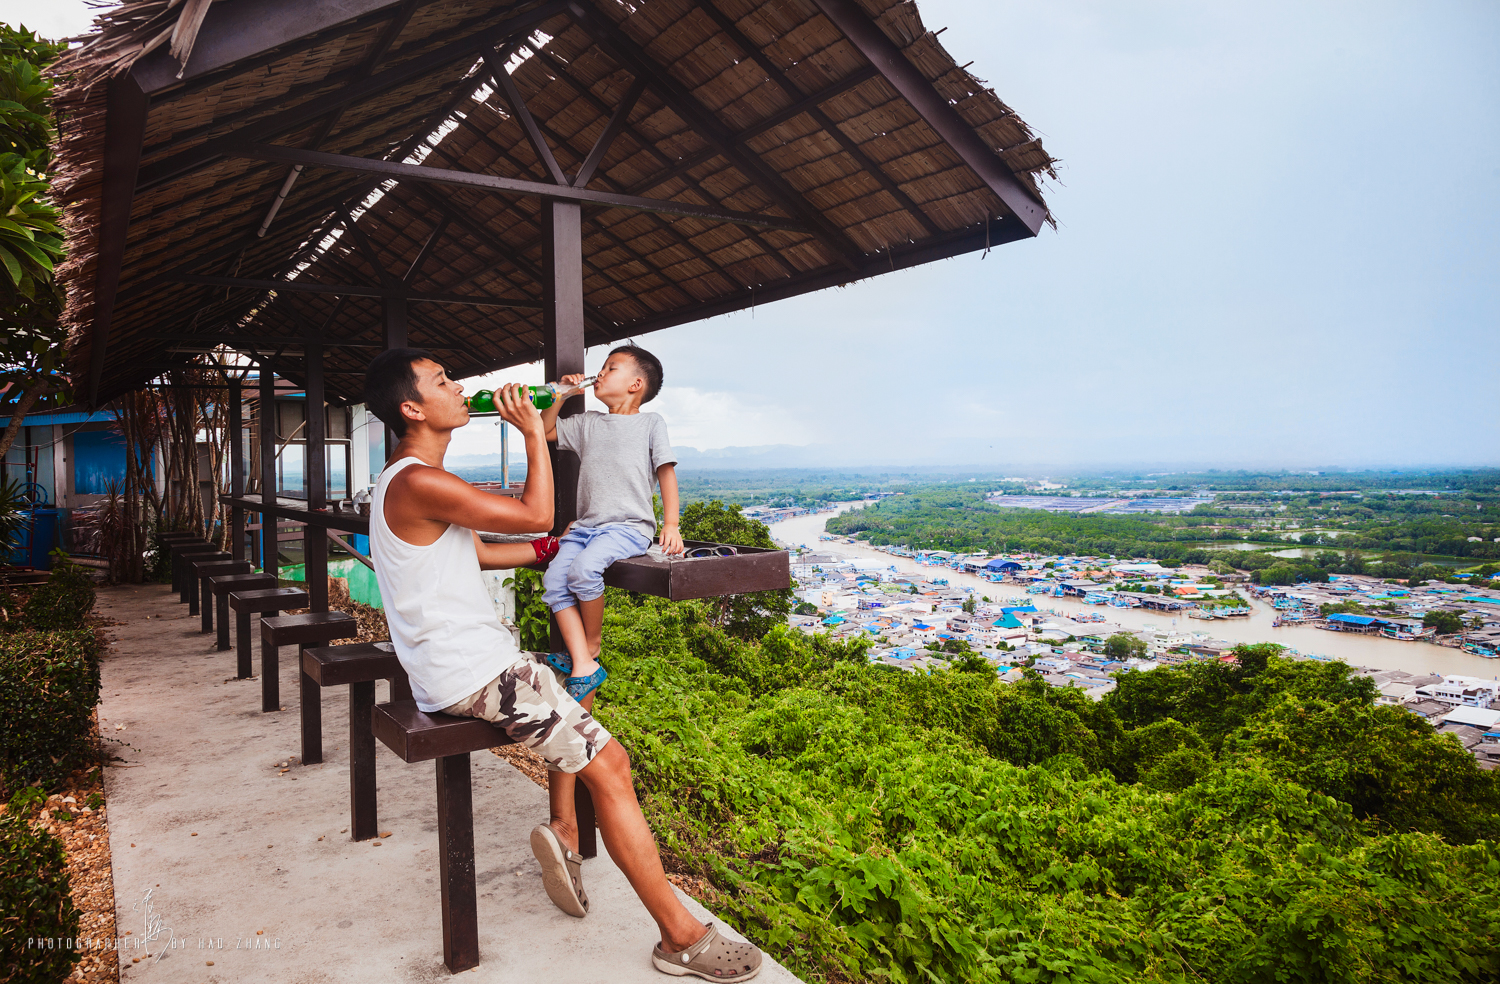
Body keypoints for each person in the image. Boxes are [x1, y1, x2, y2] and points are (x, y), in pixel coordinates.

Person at [363, 349, 761, 981]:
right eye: (443, 381)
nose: (460, 386)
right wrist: (532, 432)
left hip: (459, 669)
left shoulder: (402, 481)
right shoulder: (421, 481)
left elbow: (488, 555)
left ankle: (565, 831)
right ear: (413, 408)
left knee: (578, 676)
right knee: (614, 765)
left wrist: (550, 547)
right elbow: (537, 511)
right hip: (478, 677)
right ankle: (680, 937)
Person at [538, 345, 683, 700]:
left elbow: (665, 472)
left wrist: (672, 524)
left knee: (584, 572)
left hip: (628, 527)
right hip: (586, 527)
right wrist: (562, 393)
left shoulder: (650, 423)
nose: (600, 373)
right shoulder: (588, 423)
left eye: (610, 367)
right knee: (555, 579)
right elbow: (545, 431)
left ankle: (590, 647)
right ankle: (582, 659)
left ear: (636, 384)